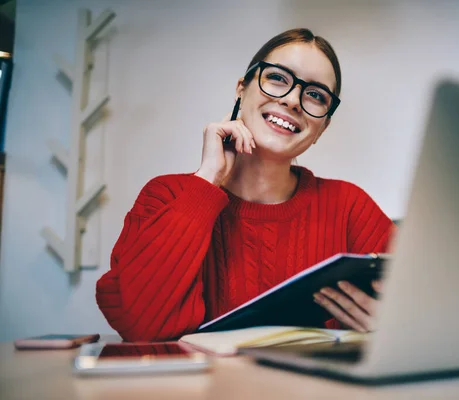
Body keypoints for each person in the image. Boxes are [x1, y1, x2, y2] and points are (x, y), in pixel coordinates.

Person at [96, 28, 395, 342]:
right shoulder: (165, 196)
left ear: (323, 126)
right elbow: (142, 327)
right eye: (278, 78)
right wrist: (208, 179)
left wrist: (391, 328)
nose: (293, 100)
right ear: (242, 88)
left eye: (316, 95)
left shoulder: (349, 207)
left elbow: (428, 310)